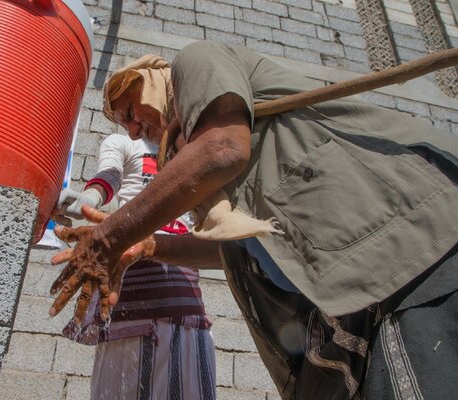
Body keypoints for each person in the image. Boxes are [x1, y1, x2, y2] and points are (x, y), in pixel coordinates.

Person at [49, 41, 458, 399]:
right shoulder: (188, 164)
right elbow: (228, 246)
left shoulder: (194, 63)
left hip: (414, 246)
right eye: (123, 125)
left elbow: (224, 149)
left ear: (151, 77)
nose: (134, 130)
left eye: (129, 110)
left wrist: (109, 238)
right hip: (347, 302)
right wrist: (150, 245)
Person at [53, 129, 217, 399]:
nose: (131, 125)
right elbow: (109, 177)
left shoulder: (195, 146)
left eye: (129, 109)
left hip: (180, 292)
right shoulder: (123, 142)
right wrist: (89, 199)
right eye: (120, 117)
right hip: (130, 291)